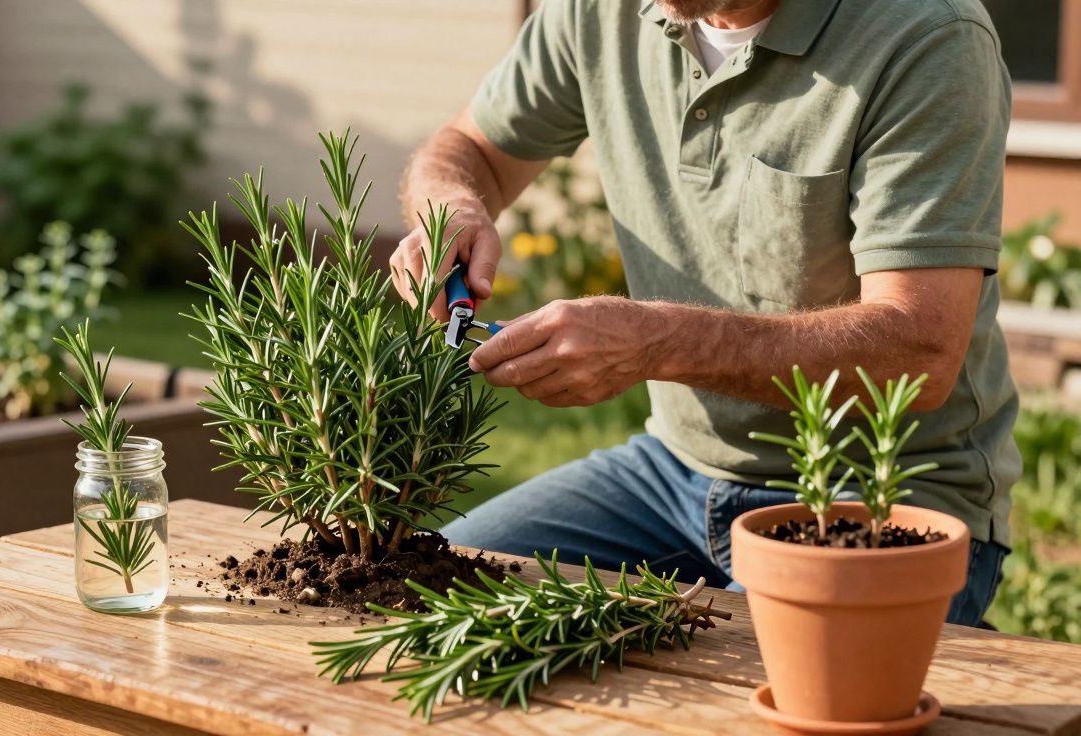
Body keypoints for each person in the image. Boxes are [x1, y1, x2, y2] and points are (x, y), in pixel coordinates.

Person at [390, 0, 1020, 626]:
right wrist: (451, 206)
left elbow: (918, 350)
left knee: (748, 696)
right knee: (420, 600)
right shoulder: (596, 12)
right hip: (671, 475)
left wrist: (657, 342)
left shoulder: (928, 34)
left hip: (881, 492)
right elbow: (470, 146)